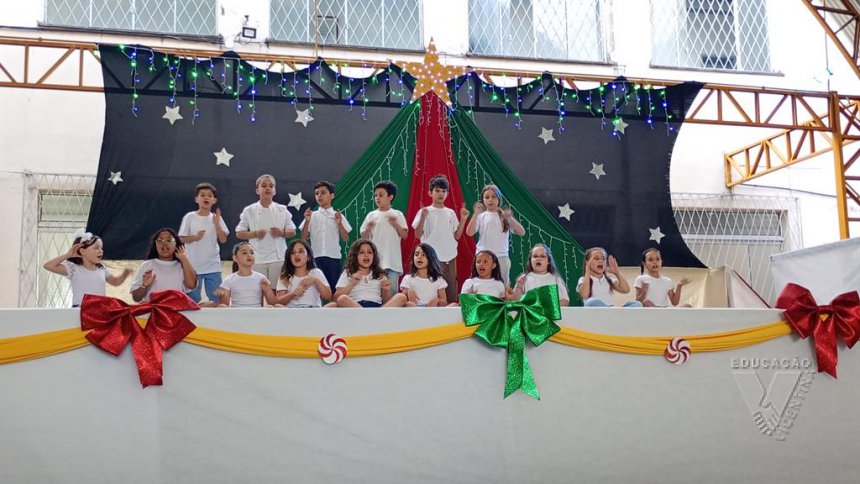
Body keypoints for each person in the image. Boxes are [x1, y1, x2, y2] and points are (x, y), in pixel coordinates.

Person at [411, 174, 469, 304]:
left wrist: (463, 219)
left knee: (450, 292)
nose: (441, 193)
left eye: (444, 191)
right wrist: (423, 217)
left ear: (447, 193)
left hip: (450, 256)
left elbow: (457, 236)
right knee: (432, 291)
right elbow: (417, 234)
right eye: (437, 190)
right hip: (431, 258)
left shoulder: (451, 213)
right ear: (430, 193)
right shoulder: (425, 211)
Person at [235, 174, 297, 287]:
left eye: (271, 186)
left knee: (278, 290)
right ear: (257, 190)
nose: (268, 188)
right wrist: (255, 233)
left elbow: (292, 231)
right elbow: (239, 233)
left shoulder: (282, 210)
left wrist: (281, 233)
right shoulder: (249, 210)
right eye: (263, 186)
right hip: (257, 258)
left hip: (278, 258)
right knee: (258, 290)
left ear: (274, 191)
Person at [42, 232, 133, 307]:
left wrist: (125, 274)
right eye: (96, 247)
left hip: (100, 309)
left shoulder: (102, 268)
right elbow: (48, 266)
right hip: (80, 311)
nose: (101, 251)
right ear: (83, 251)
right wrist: (68, 255)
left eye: (101, 248)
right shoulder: (74, 269)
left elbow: (115, 281)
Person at [178, 182, 229, 304]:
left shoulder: (216, 218)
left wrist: (216, 223)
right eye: (202, 195)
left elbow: (223, 239)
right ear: (196, 199)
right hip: (192, 266)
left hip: (213, 265)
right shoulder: (190, 217)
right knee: (192, 300)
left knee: (216, 299)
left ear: (214, 200)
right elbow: (182, 238)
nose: (206, 198)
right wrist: (195, 237)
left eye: (210, 195)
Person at [464, 184, 525, 287]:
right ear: (483, 200)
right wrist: (475, 214)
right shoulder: (481, 216)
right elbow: (469, 232)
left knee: (503, 286)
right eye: (487, 197)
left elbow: (522, 232)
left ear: (499, 199)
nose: (490, 200)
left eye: (493, 197)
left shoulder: (504, 216)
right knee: (481, 286)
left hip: (501, 257)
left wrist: (510, 218)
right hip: (483, 257)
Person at [301, 180, 351, 293]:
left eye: (323, 192)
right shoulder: (312, 215)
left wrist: (339, 223)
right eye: (317, 193)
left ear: (332, 196)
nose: (319, 196)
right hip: (315, 258)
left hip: (334, 258)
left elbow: (345, 238)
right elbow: (303, 238)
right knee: (315, 290)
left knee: (334, 290)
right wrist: (307, 221)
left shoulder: (337, 215)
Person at [360, 180, 408, 296]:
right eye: (375, 195)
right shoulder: (371, 215)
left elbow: (404, 235)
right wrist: (368, 228)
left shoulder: (397, 214)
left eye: (381, 195)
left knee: (391, 292)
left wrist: (395, 224)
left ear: (390, 197)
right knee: (375, 292)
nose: (377, 198)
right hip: (375, 262)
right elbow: (364, 238)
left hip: (392, 261)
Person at [130, 228, 197, 302]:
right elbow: (136, 298)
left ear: (176, 244)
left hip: (176, 307)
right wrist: (144, 285)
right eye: (160, 240)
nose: (164, 243)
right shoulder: (147, 265)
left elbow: (191, 285)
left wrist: (184, 259)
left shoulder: (182, 266)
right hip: (154, 308)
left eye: (169, 240)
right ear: (155, 245)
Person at [327, 239, 393, 308]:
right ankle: (363, 313)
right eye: (361, 252)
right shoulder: (348, 273)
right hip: (355, 307)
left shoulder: (380, 274)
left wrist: (386, 290)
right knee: (342, 299)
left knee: (400, 297)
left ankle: (368, 314)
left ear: (373, 256)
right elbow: (335, 299)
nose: (366, 255)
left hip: (377, 308)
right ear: (355, 256)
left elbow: (387, 304)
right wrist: (352, 283)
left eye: (369, 252)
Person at [576, 247, 642, 307]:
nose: (600, 261)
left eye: (603, 259)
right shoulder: (583, 279)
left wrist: (617, 273)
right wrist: (587, 272)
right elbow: (584, 295)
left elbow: (626, 290)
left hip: (611, 311)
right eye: (596, 259)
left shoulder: (609, 280)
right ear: (587, 262)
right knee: (591, 302)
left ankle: (613, 313)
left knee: (637, 304)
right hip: (597, 313)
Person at [218, 242, 276, 308]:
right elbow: (224, 307)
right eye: (244, 253)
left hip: (257, 312)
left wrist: (267, 290)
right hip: (236, 313)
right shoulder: (229, 280)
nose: (249, 255)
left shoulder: (261, 278)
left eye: (252, 253)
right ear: (235, 258)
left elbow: (273, 304)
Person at [276, 239, 331, 308]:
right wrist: (292, 294)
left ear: (308, 257)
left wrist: (316, 281)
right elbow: (279, 301)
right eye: (293, 253)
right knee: (277, 306)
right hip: (292, 310)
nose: (296, 255)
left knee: (333, 305)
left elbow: (328, 296)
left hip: (314, 309)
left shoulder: (316, 272)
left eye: (301, 251)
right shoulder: (285, 276)